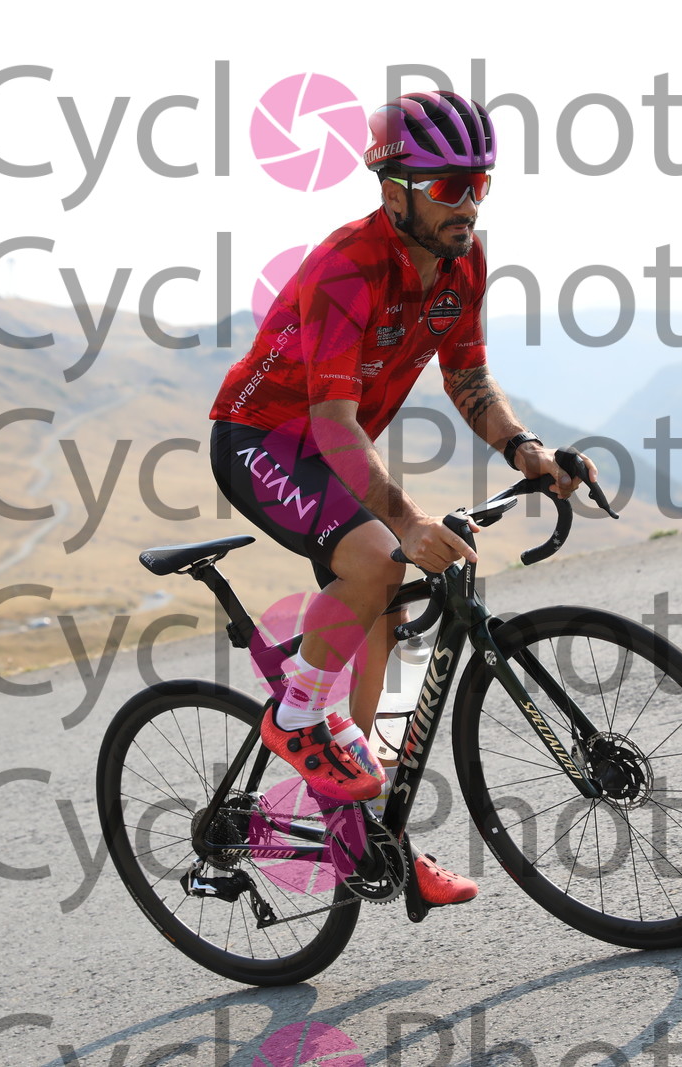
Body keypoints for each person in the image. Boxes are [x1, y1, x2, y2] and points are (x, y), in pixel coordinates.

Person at [207, 90, 595, 908]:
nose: (470, 203)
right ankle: (297, 716)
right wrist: (408, 520)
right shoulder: (345, 269)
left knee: (381, 631)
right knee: (379, 558)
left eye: (480, 184)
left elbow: (468, 376)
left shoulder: (464, 261)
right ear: (394, 191)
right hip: (264, 440)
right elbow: (331, 419)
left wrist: (524, 449)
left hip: (334, 452)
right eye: (451, 186)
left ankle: (373, 840)